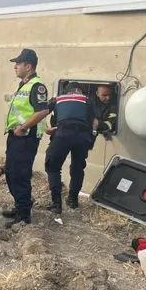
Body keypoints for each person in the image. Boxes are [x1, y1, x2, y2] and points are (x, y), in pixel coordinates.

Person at [2, 48, 50, 226]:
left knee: (19, 174)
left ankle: (23, 214)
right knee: (11, 173)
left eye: (18, 63)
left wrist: (23, 127)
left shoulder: (37, 86)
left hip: (26, 137)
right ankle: (19, 205)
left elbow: (43, 110)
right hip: (16, 136)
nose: (15, 66)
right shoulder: (24, 84)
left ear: (28, 66)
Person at [44, 83, 99, 213]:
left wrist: (46, 128)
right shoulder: (87, 100)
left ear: (66, 91)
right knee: (77, 168)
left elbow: (40, 113)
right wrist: (92, 136)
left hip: (62, 135)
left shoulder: (57, 99)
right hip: (82, 137)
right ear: (80, 91)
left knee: (53, 167)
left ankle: (56, 204)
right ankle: (73, 200)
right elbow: (95, 122)